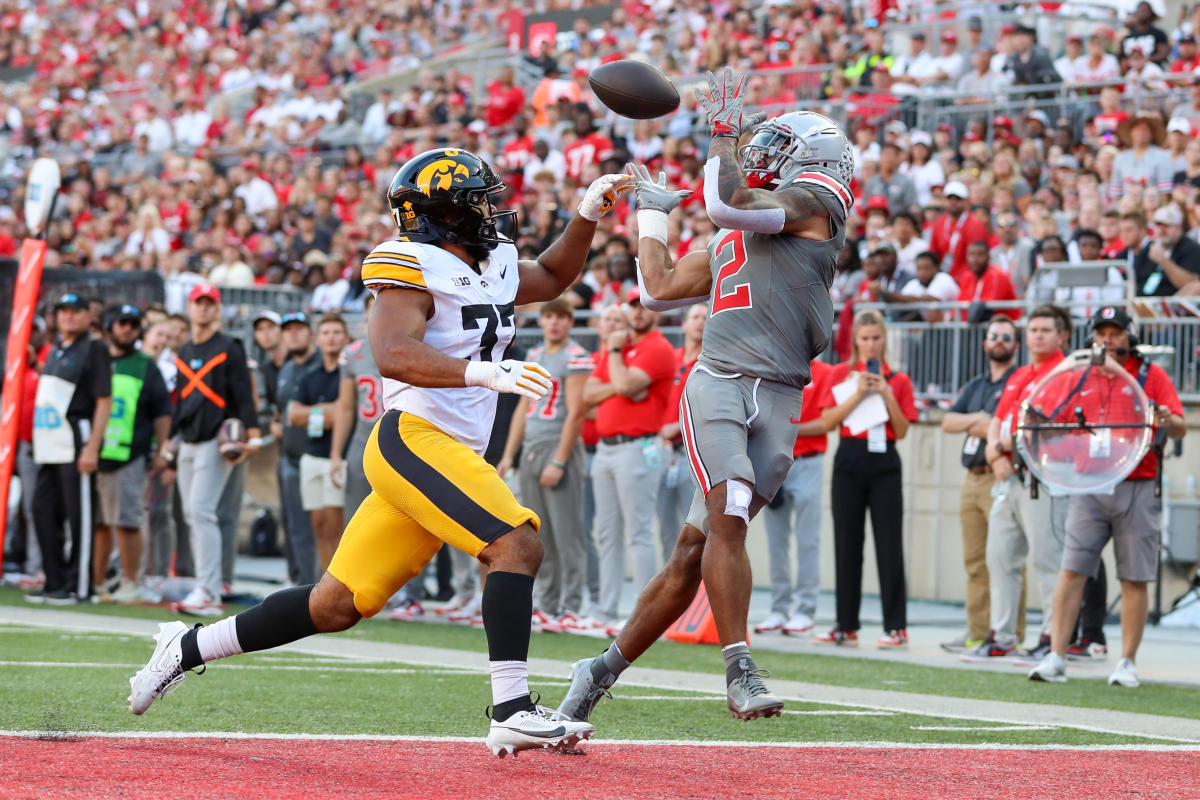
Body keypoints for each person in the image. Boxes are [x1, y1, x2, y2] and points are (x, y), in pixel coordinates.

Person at [129, 147, 630, 757]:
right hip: (413, 440)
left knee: (335, 605)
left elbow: (551, 279)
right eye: (476, 200)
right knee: (517, 543)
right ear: (441, 214)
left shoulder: (490, 260)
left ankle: (185, 648)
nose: (489, 210)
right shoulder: (412, 265)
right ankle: (511, 708)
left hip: (448, 452)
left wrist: (587, 214)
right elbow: (392, 352)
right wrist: (484, 375)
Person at [556, 76, 852, 723]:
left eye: (777, 143)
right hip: (718, 378)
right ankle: (740, 668)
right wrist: (653, 212)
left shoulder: (818, 199)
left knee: (694, 554)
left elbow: (726, 202)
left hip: (777, 394)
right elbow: (657, 289)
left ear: (815, 158)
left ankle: (597, 671)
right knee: (731, 503)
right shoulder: (739, 225)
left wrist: (720, 131)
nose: (762, 149)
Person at [1029, 306, 1186, 686]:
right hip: (1089, 484)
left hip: (1138, 483)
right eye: (1102, 333)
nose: (1108, 340)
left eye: (1115, 333)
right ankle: (1057, 656)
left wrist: (1165, 418)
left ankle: (1127, 661)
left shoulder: (1151, 375)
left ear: (1129, 337)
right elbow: (1053, 424)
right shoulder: (1078, 375)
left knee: (1134, 576)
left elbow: (1180, 425)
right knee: (1072, 570)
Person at [964, 305, 1071, 663]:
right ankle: (1003, 634)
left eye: (1045, 329)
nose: (1037, 335)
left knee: (1047, 560)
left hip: (1043, 476)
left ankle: (1051, 636)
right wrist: (995, 455)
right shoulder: (1020, 373)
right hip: (1007, 476)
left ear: (1062, 336)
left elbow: (1045, 426)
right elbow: (999, 419)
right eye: (1033, 329)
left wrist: (1000, 447)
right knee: (1000, 558)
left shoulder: (1065, 372)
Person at [815, 309, 918, 647]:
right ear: (855, 341)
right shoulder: (842, 375)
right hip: (849, 458)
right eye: (865, 339)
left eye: (876, 338)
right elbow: (828, 422)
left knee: (889, 545)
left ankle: (896, 626)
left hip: (885, 460)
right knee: (846, 544)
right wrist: (858, 392)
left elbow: (902, 430)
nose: (871, 345)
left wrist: (885, 393)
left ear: (884, 339)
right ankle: (846, 625)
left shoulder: (898, 379)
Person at [164, 283, 261, 616]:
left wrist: (253, 432)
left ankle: (209, 590)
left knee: (201, 511)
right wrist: (171, 438)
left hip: (216, 440)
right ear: (190, 308)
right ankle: (206, 586)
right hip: (188, 439)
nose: (203, 309)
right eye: (198, 303)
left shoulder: (229, 347)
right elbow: (180, 399)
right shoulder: (184, 350)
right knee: (193, 514)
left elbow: (243, 394)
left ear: (217, 310)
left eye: (209, 304)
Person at [498, 298, 592, 630]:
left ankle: (573, 605)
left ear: (570, 322)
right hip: (533, 448)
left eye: (561, 317)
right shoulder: (535, 356)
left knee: (568, 534)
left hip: (556, 446)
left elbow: (577, 412)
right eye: (549, 316)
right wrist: (510, 454)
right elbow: (523, 408)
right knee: (541, 535)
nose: (554, 323)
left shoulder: (576, 356)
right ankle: (549, 604)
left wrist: (560, 460)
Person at [584, 289, 678, 625]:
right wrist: (620, 379)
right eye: (634, 306)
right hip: (606, 448)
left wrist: (613, 354)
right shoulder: (624, 348)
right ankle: (605, 611)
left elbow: (622, 386)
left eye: (646, 307)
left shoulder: (657, 348)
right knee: (608, 533)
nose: (638, 313)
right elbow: (588, 393)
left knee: (638, 532)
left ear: (657, 312)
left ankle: (643, 613)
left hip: (638, 447)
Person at [938, 316, 1020, 652]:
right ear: (985, 343)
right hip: (972, 480)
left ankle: (1010, 634)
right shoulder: (977, 385)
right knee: (974, 562)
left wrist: (984, 427)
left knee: (1006, 561)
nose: (999, 341)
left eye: (1006, 336)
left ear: (1016, 344)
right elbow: (947, 421)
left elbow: (1005, 430)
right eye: (993, 336)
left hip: (1001, 477)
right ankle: (977, 632)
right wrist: (979, 421)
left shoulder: (1019, 381)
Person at [27, 293, 112, 603]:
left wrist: (92, 447)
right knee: (42, 509)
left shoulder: (94, 348)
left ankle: (81, 584)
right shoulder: (57, 349)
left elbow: (104, 400)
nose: (68, 316)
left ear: (87, 316)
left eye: (75, 311)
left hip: (76, 436)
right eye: (62, 310)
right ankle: (55, 581)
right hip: (50, 441)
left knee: (79, 516)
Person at [94, 305, 171, 603]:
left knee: (127, 520)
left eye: (133, 324)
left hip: (131, 453)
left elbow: (162, 411)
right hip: (95, 453)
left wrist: (162, 451)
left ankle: (129, 582)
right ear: (110, 326)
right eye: (122, 323)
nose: (127, 329)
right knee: (99, 522)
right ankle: (97, 583)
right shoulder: (97, 359)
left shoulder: (145, 365)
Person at [754, 356, 834, 637]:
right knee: (776, 540)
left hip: (808, 461)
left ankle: (805, 610)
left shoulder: (825, 372)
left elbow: (826, 422)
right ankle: (779, 608)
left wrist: (788, 428)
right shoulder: (777, 367)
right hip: (775, 460)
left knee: (807, 539)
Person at [288, 313, 351, 571]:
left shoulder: (349, 375)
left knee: (337, 525)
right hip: (312, 455)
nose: (331, 338)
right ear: (318, 339)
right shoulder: (310, 376)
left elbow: (342, 413)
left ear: (346, 338)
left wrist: (314, 411)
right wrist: (325, 411)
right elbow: (293, 415)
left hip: (340, 457)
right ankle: (326, 581)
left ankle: (342, 582)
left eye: (336, 332)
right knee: (319, 526)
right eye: (326, 333)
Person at [273, 311, 322, 587]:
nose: (293, 334)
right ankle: (301, 582)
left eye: (299, 328)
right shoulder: (287, 368)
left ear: (310, 333)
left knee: (320, 527)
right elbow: (282, 409)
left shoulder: (322, 366)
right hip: (289, 456)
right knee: (294, 527)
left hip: (315, 454)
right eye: (288, 329)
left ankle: (317, 585)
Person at [655, 303, 707, 561]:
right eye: (695, 317)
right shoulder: (669, 358)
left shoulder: (710, 362)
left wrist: (676, 425)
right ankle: (671, 590)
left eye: (705, 318)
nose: (700, 322)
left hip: (692, 452)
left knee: (695, 526)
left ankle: (695, 591)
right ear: (684, 324)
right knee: (665, 526)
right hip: (661, 450)